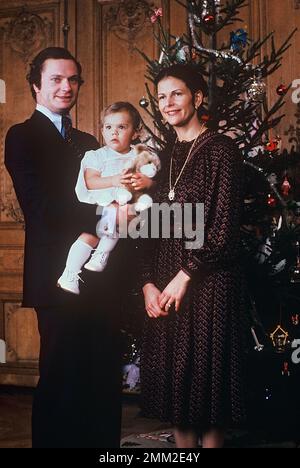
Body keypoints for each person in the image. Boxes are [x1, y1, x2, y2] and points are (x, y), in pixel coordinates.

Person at [4, 47, 129, 448]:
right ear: (36, 86)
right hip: (56, 276)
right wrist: (99, 215)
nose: (66, 87)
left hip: (101, 276)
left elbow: (115, 198)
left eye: (73, 79)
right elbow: (41, 209)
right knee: (62, 377)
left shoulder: (91, 140)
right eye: (56, 79)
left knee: (102, 377)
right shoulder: (22, 137)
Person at [140, 64, 246, 449]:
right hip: (167, 284)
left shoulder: (221, 150)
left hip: (209, 284)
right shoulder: (164, 157)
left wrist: (185, 276)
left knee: (208, 399)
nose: (168, 103)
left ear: (197, 98)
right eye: (162, 95)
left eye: (177, 94)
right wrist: (149, 283)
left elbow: (224, 231)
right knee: (178, 399)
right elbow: (151, 227)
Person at [57, 101, 157, 294]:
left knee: (119, 219)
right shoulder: (96, 156)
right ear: (102, 130)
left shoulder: (140, 155)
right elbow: (91, 181)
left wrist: (145, 183)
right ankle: (69, 273)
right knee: (92, 232)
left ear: (135, 132)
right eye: (109, 127)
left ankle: (101, 254)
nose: (114, 132)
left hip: (127, 204)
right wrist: (114, 179)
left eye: (121, 127)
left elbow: (152, 180)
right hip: (100, 202)